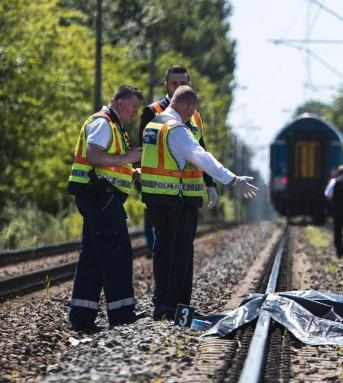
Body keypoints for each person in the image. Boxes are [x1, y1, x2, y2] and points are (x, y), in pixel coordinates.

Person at [140, 86, 258, 320]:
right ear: (188, 106)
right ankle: (174, 306)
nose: (191, 116)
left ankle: (162, 303)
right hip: (177, 200)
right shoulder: (176, 130)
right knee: (180, 253)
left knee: (162, 252)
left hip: (155, 199)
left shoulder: (152, 127)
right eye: (192, 111)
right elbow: (201, 156)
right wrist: (233, 180)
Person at [66, 85, 146, 333]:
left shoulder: (114, 126)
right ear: (121, 103)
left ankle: (82, 316)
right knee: (118, 253)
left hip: (99, 197)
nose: (134, 112)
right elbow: (94, 155)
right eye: (132, 106)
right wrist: (128, 159)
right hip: (101, 197)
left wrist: (131, 172)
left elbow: (108, 163)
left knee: (92, 257)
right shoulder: (103, 123)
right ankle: (122, 314)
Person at [137, 66, 219, 254]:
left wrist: (210, 183)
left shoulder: (195, 114)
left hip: (188, 193)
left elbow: (201, 150)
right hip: (160, 193)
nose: (178, 87)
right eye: (174, 83)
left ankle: (180, 285)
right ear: (166, 85)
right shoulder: (152, 112)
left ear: (189, 85)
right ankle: (164, 285)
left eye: (183, 83)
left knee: (184, 248)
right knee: (163, 247)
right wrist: (142, 184)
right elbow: (141, 150)